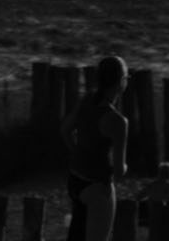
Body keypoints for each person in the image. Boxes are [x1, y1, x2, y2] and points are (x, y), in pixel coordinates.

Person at [61, 55, 129, 241]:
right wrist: (126, 167)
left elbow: (65, 130)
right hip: (98, 188)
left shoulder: (87, 100)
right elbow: (119, 170)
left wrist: (78, 153)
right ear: (121, 81)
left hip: (75, 180)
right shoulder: (117, 121)